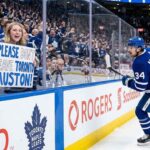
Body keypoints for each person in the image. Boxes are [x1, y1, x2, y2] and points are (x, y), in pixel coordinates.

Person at [122, 36, 150, 145]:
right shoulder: (148, 51)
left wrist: (127, 82)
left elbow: (140, 87)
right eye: (129, 47)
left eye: (131, 47)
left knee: (140, 111)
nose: (129, 50)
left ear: (139, 48)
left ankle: (148, 134)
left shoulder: (138, 63)